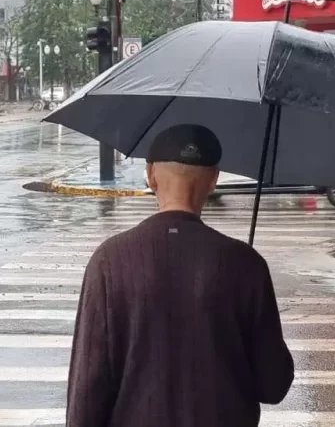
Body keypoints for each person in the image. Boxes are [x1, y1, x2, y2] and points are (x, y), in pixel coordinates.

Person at [66, 124, 294, 427]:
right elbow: (274, 385)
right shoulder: (246, 264)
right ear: (213, 180)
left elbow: (88, 384)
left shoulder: (110, 260)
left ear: (150, 175)